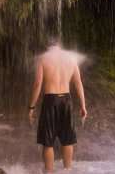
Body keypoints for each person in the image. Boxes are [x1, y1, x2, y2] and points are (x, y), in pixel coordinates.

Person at [28, 42, 87, 172]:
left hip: (50, 100)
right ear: (59, 45)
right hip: (66, 100)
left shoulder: (43, 58)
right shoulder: (71, 58)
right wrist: (83, 105)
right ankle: (68, 170)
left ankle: (49, 171)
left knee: (48, 141)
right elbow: (78, 83)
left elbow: (38, 84)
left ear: (47, 46)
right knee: (67, 140)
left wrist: (31, 107)